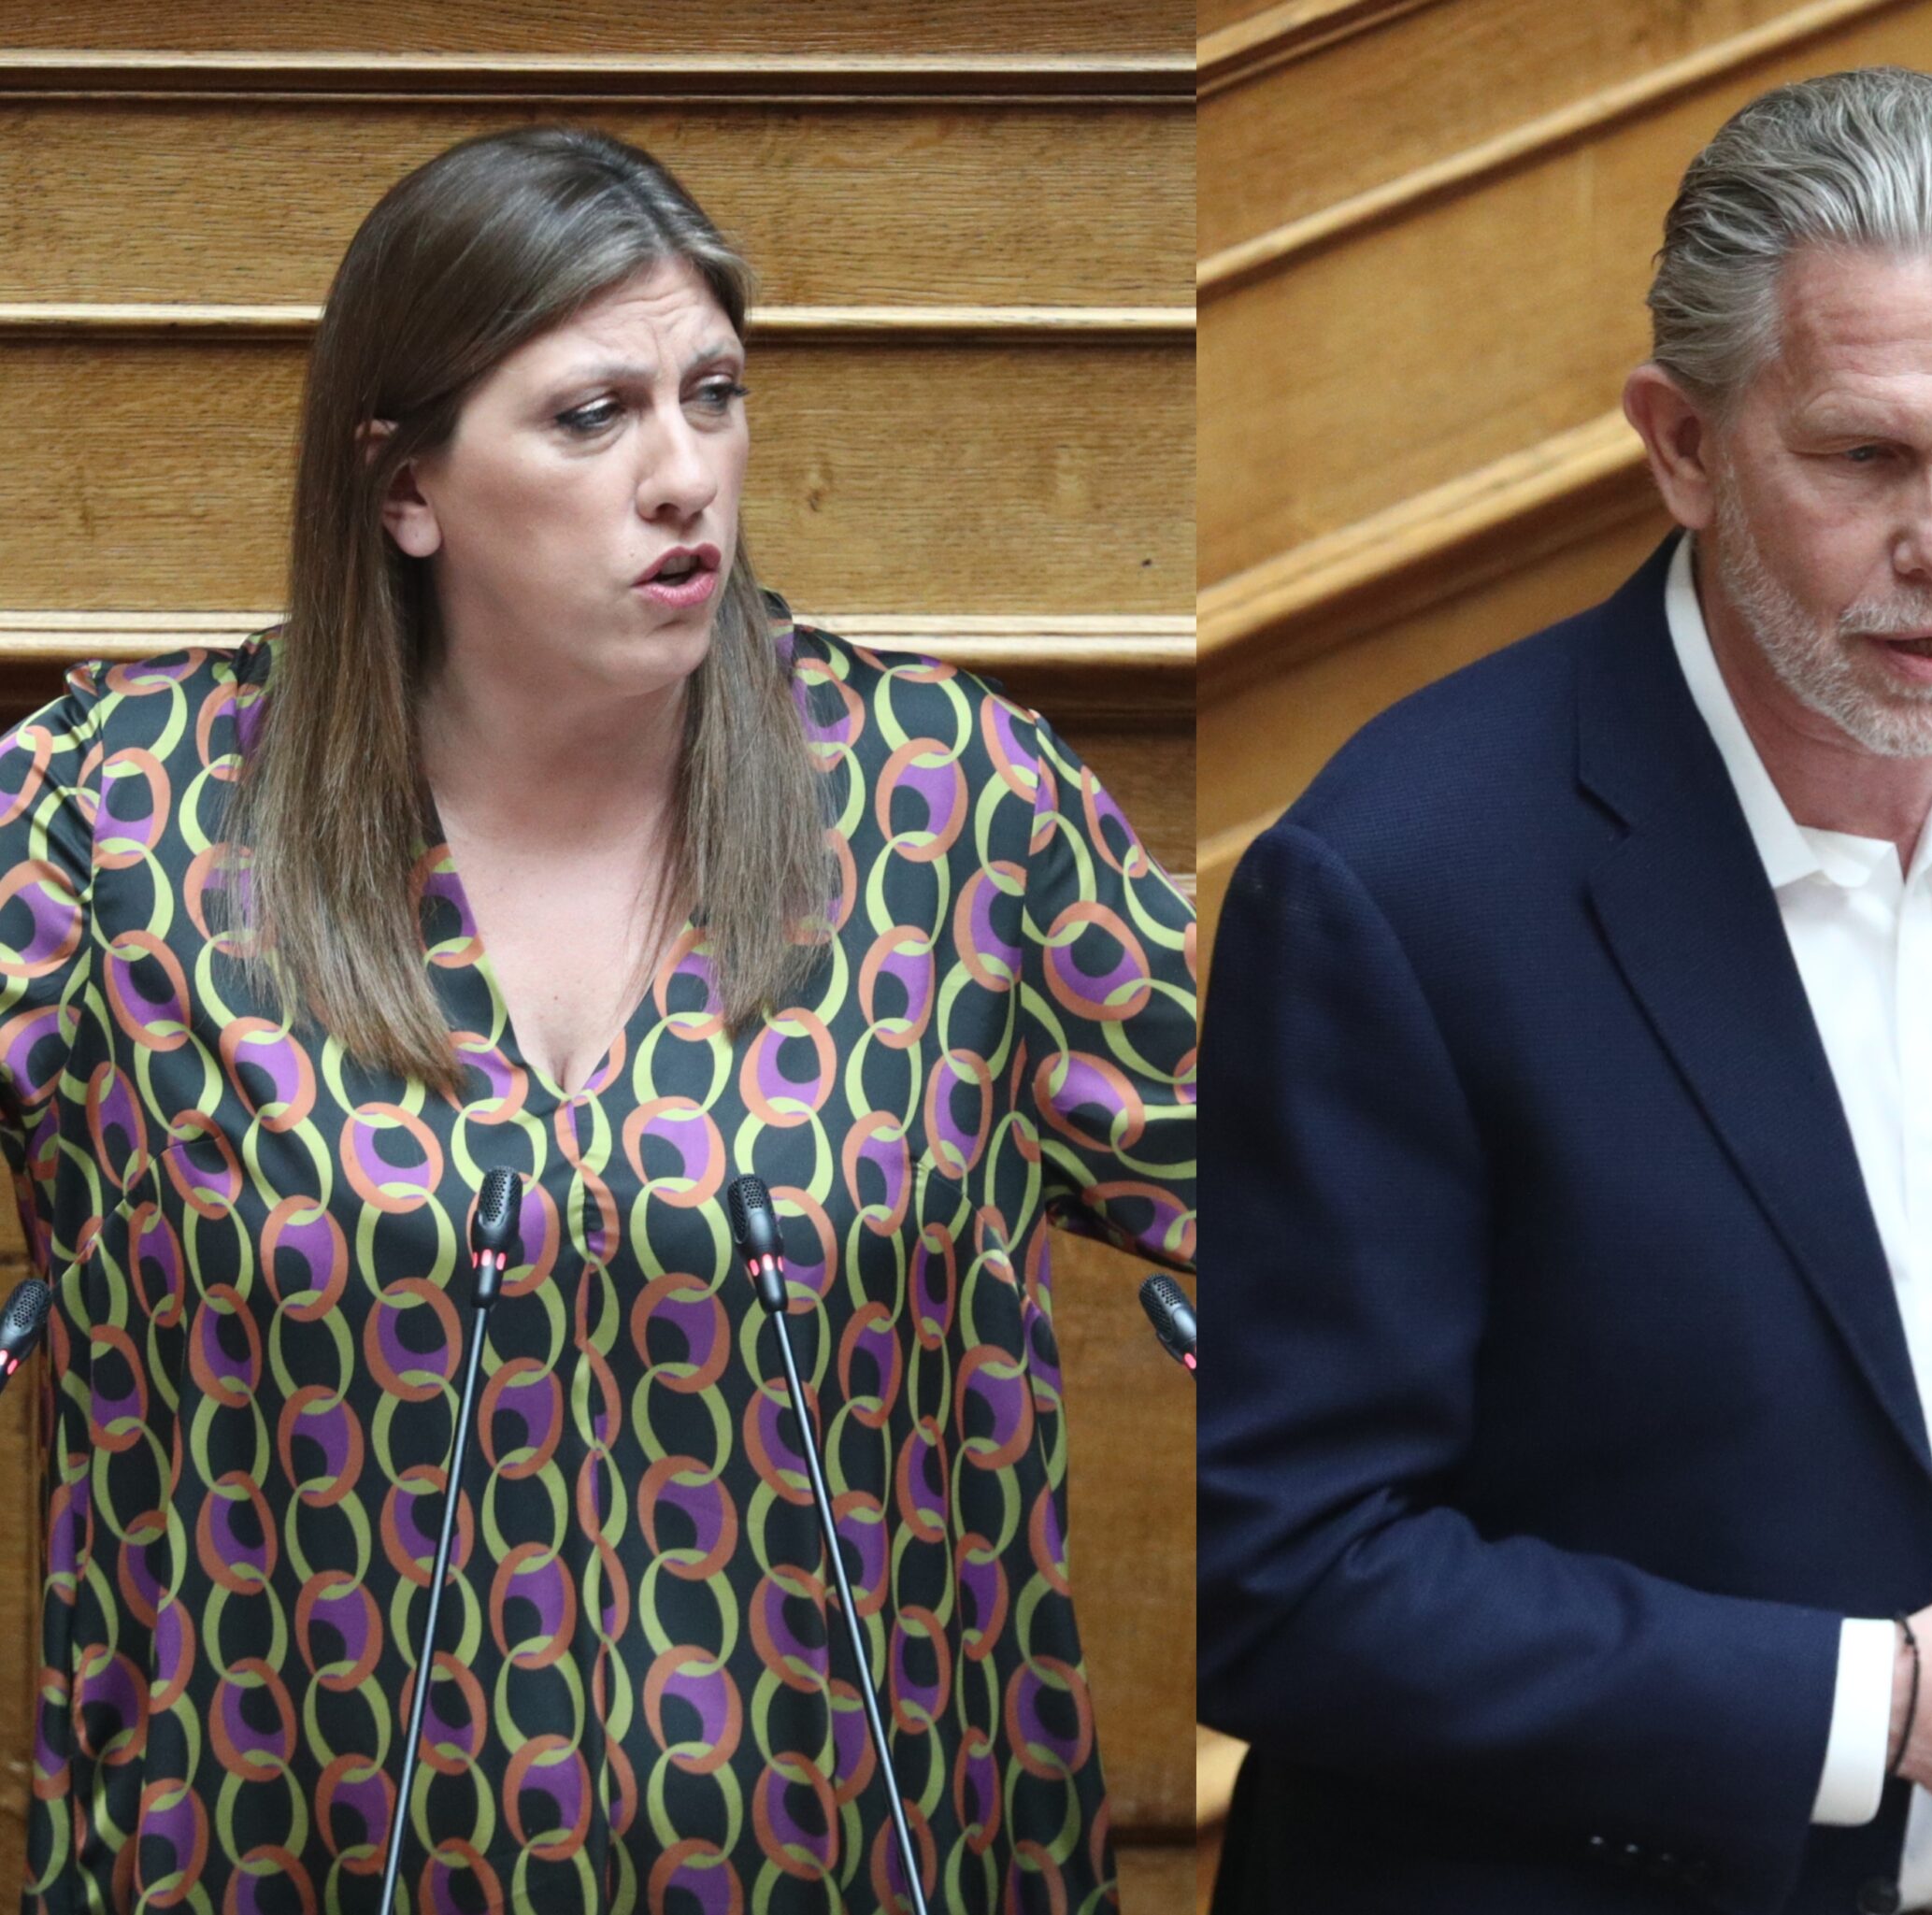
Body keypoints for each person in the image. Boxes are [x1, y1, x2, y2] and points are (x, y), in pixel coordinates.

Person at [0, 127, 1194, 1912]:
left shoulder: (954, 806)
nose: (684, 475)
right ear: (405, 486)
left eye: (713, 395)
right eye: (593, 416)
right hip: (272, 1848)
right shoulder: (117, 820)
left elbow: (1316, 1216)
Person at [1197, 67, 1932, 1915]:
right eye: (1863, 458)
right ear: (1684, 445)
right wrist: (1884, 1703)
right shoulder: (1398, 885)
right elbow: (1284, 1571)